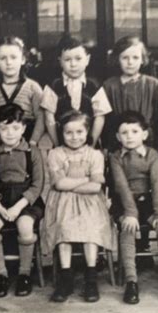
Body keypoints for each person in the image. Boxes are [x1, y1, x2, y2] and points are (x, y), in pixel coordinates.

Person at [109, 110, 158, 304]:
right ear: (118, 136)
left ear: (144, 134)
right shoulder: (115, 157)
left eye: (134, 131)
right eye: (124, 133)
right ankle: (131, 281)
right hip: (124, 203)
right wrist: (130, 213)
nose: (129, 137)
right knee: (128, 228)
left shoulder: (152, 155)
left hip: (149, 200)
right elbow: (121, 186)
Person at [42, 110, 115, 303]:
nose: (74, 137)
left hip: (91, 203)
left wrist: (71, 182)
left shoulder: (95, 154)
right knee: (64, 228)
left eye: (79, 132)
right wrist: (85, 179)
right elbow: (59, 184)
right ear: (62, 133)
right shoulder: (55, 154)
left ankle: (91, 278)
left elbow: (96, 187)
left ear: (87, 131)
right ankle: (65, 278)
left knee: (91, 228)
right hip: (61, 201)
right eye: (69, 133)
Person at [0, 103, 45, 298]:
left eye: (15, 128)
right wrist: (0, 208)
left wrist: (18, 207)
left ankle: (24, 273)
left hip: (25, 202)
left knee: (25, 225)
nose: (10, 133)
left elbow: (37, 184)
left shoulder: (32, 152)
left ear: (24, 129)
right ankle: (1, 275)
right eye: (4, 128)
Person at [41, 34, 112, 147]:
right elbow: (49, 118)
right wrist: (57, 145)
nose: (73, 64)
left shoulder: (94, 86)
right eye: (67, 59)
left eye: (78, 59)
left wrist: (92, 145)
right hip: (62, 142)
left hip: (88, 143)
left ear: (87, 60)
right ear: (60, 61)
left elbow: (100, 117)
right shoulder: (53, 86)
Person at [0, 36, 44, 153]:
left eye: (13, 57)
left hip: (25, 141)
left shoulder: (33, 87)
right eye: (3, 58)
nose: (9, 62)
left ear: (23, 59)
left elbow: (41, 117)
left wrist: (33, 143)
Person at [102, 36, 158, 156]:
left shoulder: (154, 85)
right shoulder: (109, 86)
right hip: (118, 146)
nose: (130, 62)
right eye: (125, 57)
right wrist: (107, 146)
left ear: (143, 59)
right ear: (117, 59)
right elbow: (106, 122)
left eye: (135, 57)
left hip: (148, 145)